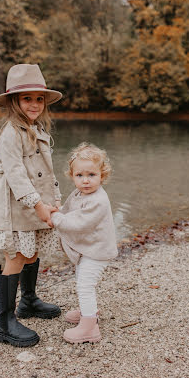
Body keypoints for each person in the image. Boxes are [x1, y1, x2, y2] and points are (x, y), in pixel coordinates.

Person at [0, 63, 62, 347]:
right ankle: (4, 322)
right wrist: (37, 205)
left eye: (39, 98)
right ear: (14, 102)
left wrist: (54, 201)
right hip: (13, 205)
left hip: (35, 202)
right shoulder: (11, 133)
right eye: (27, 98)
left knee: (33, 249)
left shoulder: (37, 129)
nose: (35, 104)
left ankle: (28, 301)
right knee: (16, 254)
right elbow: (15, 175)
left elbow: (46, 172)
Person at [51, 143, 118, 344]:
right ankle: (87, 311)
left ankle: (90, 328)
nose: (86, 180)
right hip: (88, 249)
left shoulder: (98, 200)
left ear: (102, 176)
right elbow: (68, 210)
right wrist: (56, 211)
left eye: (91, 175)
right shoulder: (79, 193)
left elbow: (80, 223)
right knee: (82, 279)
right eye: (79, 175)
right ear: (72, 176)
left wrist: (55, 219)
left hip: (98, 251)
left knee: (85, 285)